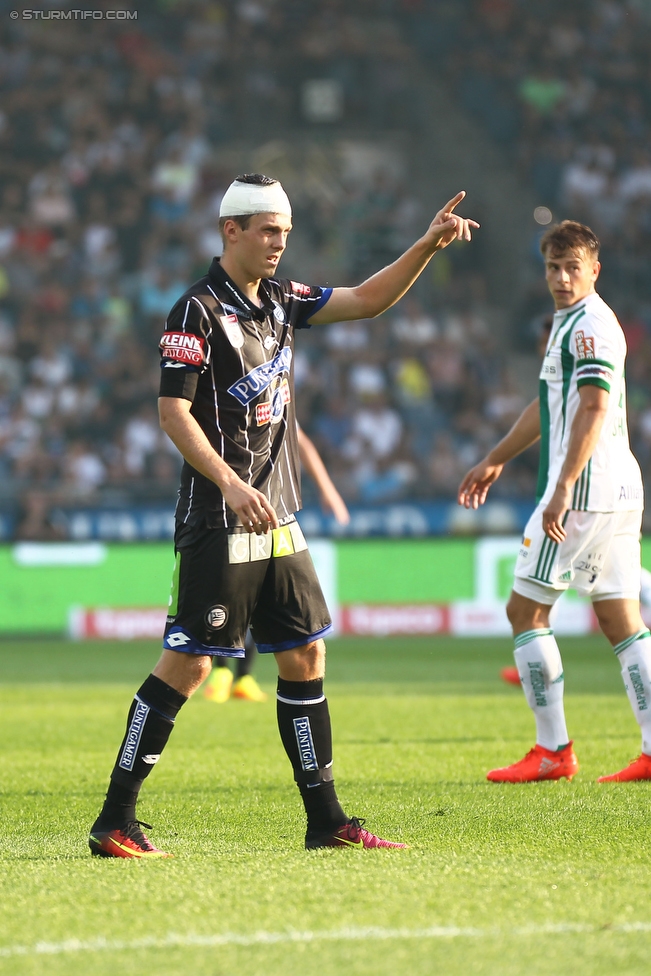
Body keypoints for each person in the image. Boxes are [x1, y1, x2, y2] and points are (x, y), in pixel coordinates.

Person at [88, 173, 479, 857]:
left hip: (280, 518)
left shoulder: (281, 299)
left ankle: (325, 820)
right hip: (219, 516)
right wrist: (229, 483)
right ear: (229, 231)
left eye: (285, 233)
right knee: (189, 666)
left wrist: (425, 247)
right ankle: (113, 819)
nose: (278, 244)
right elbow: (171, 411)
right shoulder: (195, 312)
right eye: (268, 231)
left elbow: (365, 300)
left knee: (303, 653)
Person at [459, 220, 651, 784]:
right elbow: (549, 405)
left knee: (526, 612)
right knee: (621, 618)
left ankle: (553, 751)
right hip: (619, 485)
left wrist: (564, 486)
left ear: (594, 269)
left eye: (573, 268)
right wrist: (496, 456)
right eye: (553, 268)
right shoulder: (571, 322)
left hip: (584, 489)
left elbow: (592, 407)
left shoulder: (589, 325)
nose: (562, 278)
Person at [203, 426, 350, 704]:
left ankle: (242, 677)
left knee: (261, 598)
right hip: (230, 511)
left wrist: (326, 488)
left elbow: (301, 440)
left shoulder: (274, 401)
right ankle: (221, 671)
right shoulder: (230, 407)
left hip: (274, 511)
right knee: (231, 596)